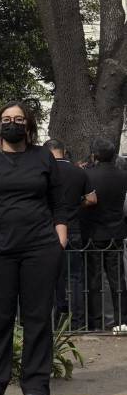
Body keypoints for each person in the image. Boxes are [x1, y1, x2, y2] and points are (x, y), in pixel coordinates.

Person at [0, 101, 67, 395]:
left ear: (29, 125)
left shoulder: (43, 157)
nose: (13, 123)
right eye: (7, 119)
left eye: (19, 119)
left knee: (37, 318)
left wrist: (60, 239)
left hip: (40, 248)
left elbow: (59, 203)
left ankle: (35, 382)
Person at [43, 139, 95, 327]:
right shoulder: (78, 172)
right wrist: (75, 207)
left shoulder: (44, 173)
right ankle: (78, 321)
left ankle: (53, 320)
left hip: (48, 231)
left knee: (49, 277)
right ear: (63, 152)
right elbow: (92, 199)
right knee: (75, 277)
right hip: (73, 229)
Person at [81, 138, 127, 331]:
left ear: (95, 155)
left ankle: (96, 321)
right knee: (118, 278)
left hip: (93, 232)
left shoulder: (88, 175)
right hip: (116, 232)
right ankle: (121, 319)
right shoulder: (123, 175)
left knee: (94, 279)